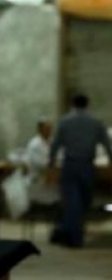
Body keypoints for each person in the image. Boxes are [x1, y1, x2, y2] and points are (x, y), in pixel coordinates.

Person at [48, 94, 112, 248]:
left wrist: (51, 160)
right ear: (87, 104)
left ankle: (73, 235)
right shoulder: (95, 122)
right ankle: (75, 235)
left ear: (72, 104)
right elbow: (106, 143)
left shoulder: (65, 121)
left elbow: (56, 144)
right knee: (84, 200)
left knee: (71, 201)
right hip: (87, 166)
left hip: (70, 165)